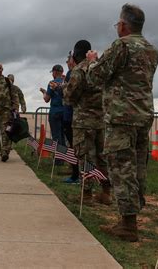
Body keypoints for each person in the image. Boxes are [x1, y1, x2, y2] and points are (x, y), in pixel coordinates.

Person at [86, 4, 158, 242]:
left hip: (121, 117)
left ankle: (128, 225)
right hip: (143, 116)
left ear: (124, 25)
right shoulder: (152, 50)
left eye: (118, 23)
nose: (117, 27)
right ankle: (131, 216)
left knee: (121, 168)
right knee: (138, 167)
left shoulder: (122, 45)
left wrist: (92, 61)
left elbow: (96, 77)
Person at [63, 40, 111, 204]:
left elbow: (70, 97)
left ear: (76, 54)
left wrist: (64, 89)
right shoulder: (98, 67)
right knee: (101, 157)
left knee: (85, 158)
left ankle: (87, 195)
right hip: (101, 120)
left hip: (83, 121)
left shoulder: (80, 70)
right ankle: (106, 193)